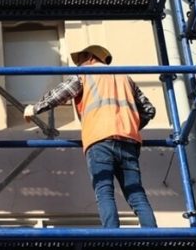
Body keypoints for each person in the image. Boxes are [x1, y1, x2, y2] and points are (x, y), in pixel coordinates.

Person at [24, 44, 157, 228]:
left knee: (104, 192)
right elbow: (149, 110)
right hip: (128, 140)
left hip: (99, 139)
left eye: (80, 60)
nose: (78, 64)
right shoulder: (125, 77)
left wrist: (35, 108)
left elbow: (62, 93)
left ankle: (112, 237)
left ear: (91, 57)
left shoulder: (85, 74)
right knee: (136, 194)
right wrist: (130, 126)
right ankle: (152, 235)